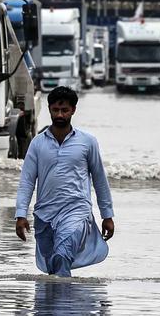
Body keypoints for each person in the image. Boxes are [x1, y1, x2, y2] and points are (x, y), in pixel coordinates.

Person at [15, 86, 115, 277]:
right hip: (44, 215)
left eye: (64, 110)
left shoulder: (87, 142)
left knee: (62, 254)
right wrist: (21, 214)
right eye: (55, 110)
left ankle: (63, 295)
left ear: (73, 110)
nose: (60, 115)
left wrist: (107, 215)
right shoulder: (37, 143)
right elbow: (27, 181)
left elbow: (99, 179)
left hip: (77, 211)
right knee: (53, 267)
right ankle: (62, 295)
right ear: (49, 109)